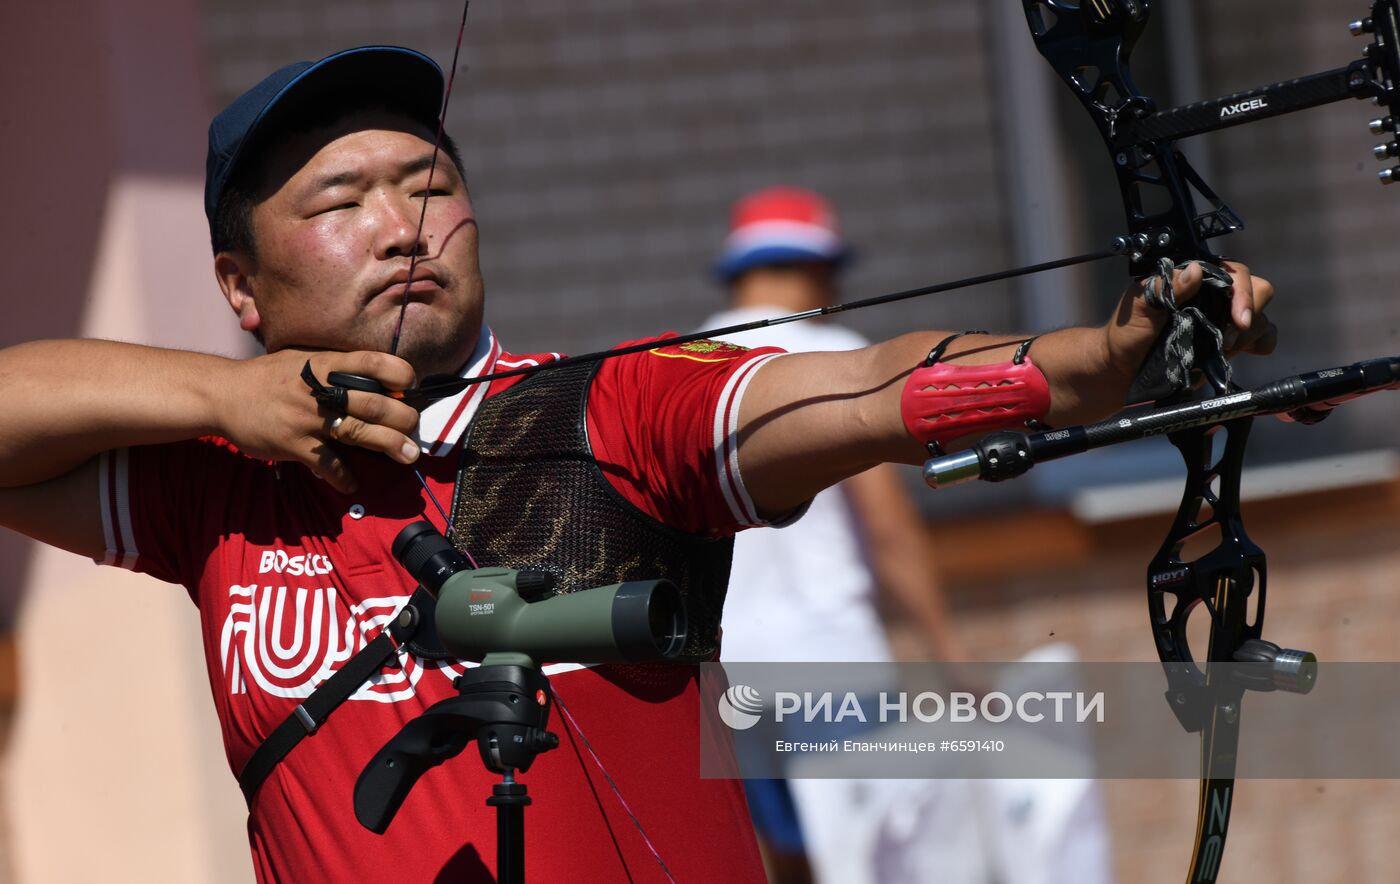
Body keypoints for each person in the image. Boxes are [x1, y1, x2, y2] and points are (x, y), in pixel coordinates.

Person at [0, 47, 1277, 883]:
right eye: (339, 204)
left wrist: (1086, 363)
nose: (400, 226)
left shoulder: (605, 411)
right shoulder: (216, 477)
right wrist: (222, 391)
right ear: (240, 283)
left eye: (428, 182)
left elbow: (849, 390)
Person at [704, 188, 1115, 884]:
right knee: (875, 860)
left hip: (731, 672)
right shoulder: (831, 354)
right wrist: (949, 654)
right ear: (817, 268)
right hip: (832, 663)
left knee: (789, 863)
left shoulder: (699, 360)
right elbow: (887, 527)